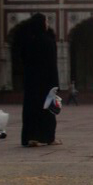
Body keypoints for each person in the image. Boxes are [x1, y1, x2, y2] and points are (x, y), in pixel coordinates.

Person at [21, 13, 61, 147]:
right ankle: (49, 138)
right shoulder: (47, 41)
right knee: (47, 111)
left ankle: (30, 137)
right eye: (46, 21)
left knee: (31, 110)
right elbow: (51, 65)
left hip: (31, 82)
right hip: (45, 83)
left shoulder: (28, 41)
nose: (48, 24)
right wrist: (55, 84)